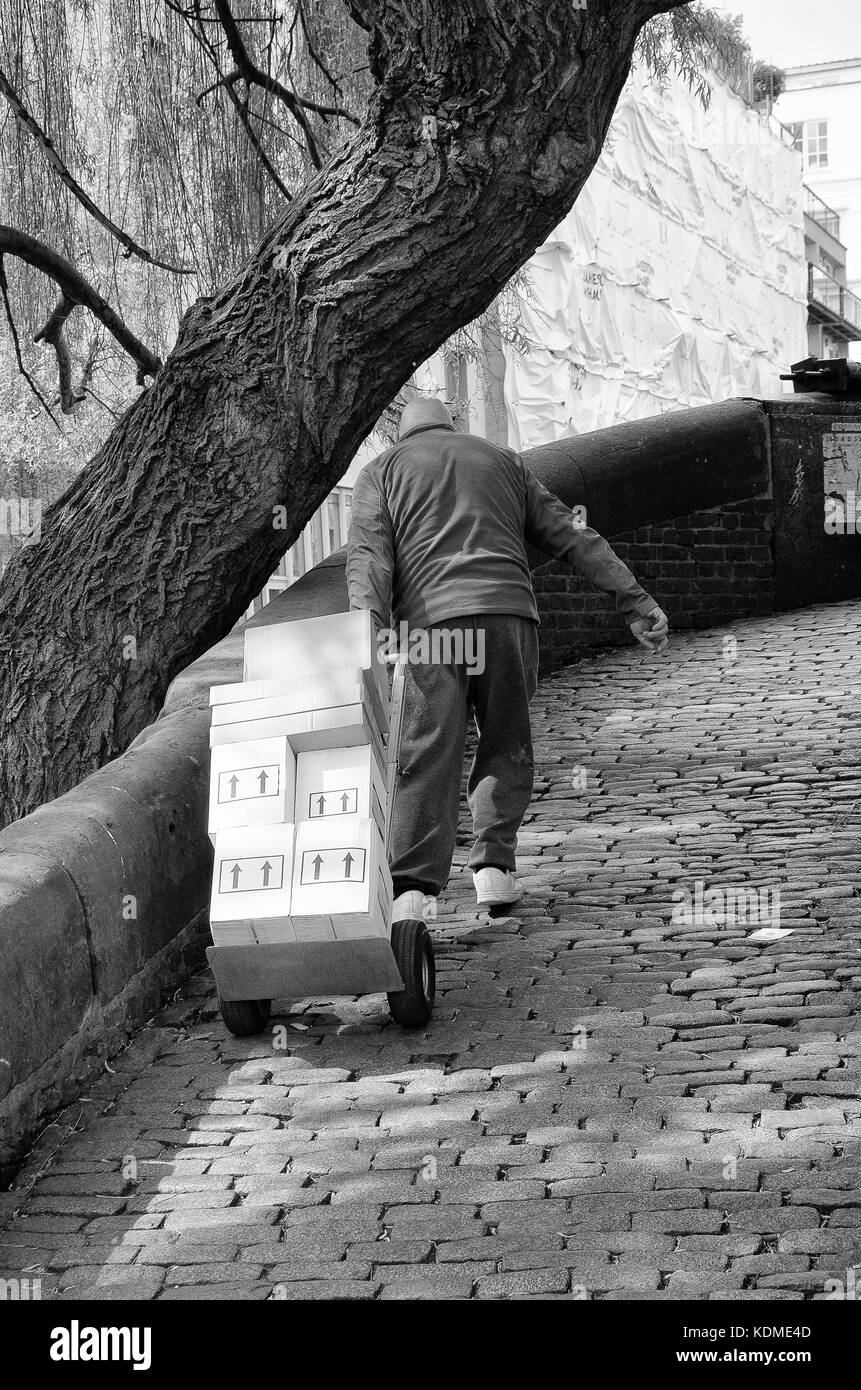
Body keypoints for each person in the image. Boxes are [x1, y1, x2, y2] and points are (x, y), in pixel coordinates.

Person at [346, 396, 668, 924]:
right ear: (452, 426)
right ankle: (494, 870)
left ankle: (412, 893)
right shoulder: (503, 461)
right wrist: (634, 600)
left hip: (434, 631)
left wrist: (370, 635)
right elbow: (571, 533)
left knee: (428, 747)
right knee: (505, 739)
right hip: (507, 620)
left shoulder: (381, 472)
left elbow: (370, 559)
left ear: (400, 435)